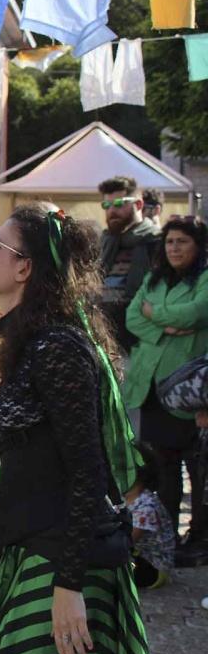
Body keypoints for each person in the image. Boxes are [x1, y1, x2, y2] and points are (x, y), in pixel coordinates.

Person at [0, 203, 153, 654]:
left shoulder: (57, 347)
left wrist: (68, 585)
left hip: (61, 559)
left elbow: (88, 471)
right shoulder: (25, 342)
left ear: (24, 267)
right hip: (30, 546)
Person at [123, 218, 208, 566]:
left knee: (199, 471)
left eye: (182, 242)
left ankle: (200, 539)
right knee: (164, 467)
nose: (174, 248)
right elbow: (131, 316)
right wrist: (169, 327)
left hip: (192, 392)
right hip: (152, 386)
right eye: (170, 241)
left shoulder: (204, 278)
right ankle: (168, 533)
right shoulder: (154, 277)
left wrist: (156, 315)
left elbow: (197, 312)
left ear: (198, 246)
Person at [98, 176, 162, 350]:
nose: (112, 210)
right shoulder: (104, 243)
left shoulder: (157, 242)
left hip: (140, 338)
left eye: (119, 203)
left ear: (139, 205)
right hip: (103, 335)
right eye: (107, 205)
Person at [127, 443, 176, 589]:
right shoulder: (125, 496)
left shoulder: (147, 506)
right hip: (136, 555)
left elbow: (127, 541)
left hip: (152, 568)